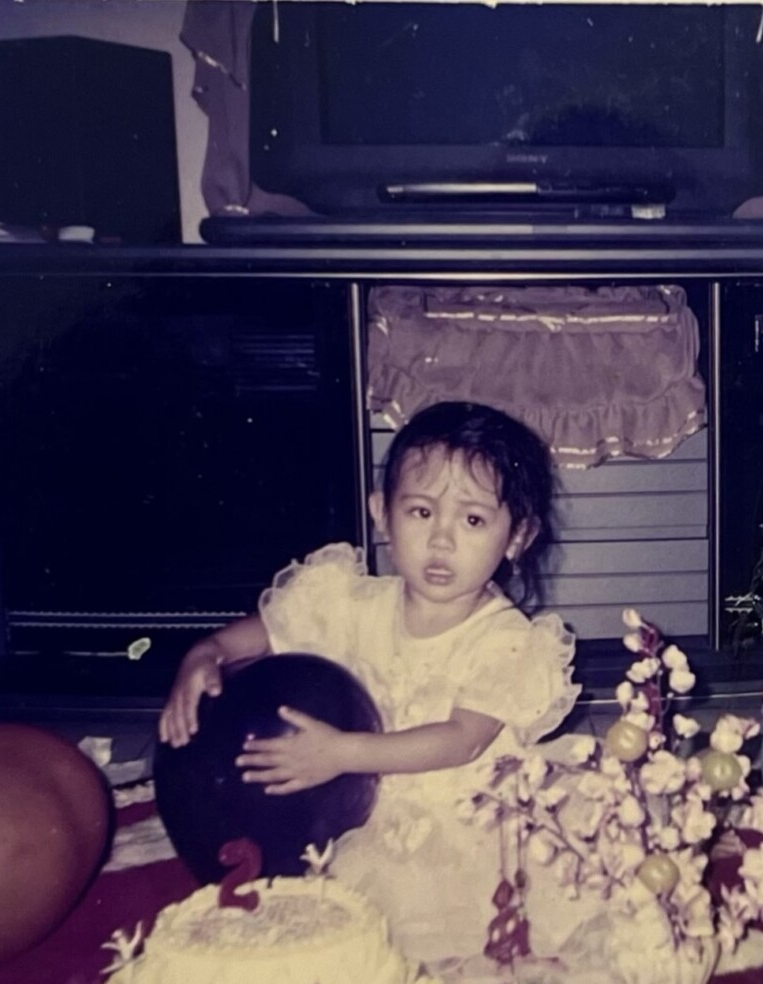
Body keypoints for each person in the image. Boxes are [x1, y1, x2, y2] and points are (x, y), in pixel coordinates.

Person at [158, 401, 580, 967]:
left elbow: (461, 740)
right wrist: (204, 654)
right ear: (382, 513)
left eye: (473, 521)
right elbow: (262, 633)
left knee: (393, 934)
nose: (442, 540)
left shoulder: (507, 641)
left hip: (453, 813)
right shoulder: (351, 602)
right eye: (421, 512)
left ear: (517, 536)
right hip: (337, 800)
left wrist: (344, 754)